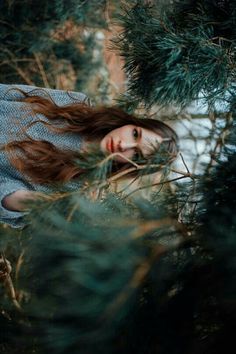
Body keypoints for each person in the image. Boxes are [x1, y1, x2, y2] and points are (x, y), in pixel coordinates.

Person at [0, 84, 178, 228]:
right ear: (133, 123)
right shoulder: (77, 104)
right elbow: (8, 93)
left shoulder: (78, 187)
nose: (124, 145)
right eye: (135, 134)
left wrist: (49, 203)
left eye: (136, 153)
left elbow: (5, 197)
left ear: (133, 165)